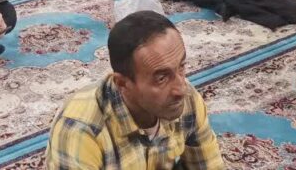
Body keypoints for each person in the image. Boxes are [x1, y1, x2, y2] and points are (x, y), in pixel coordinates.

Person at [45, 11, 222, 169]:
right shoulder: (80, 131)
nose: (181, 89)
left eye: (181, 67)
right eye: (161, 78)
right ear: (122, 83)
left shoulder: (186, 99)